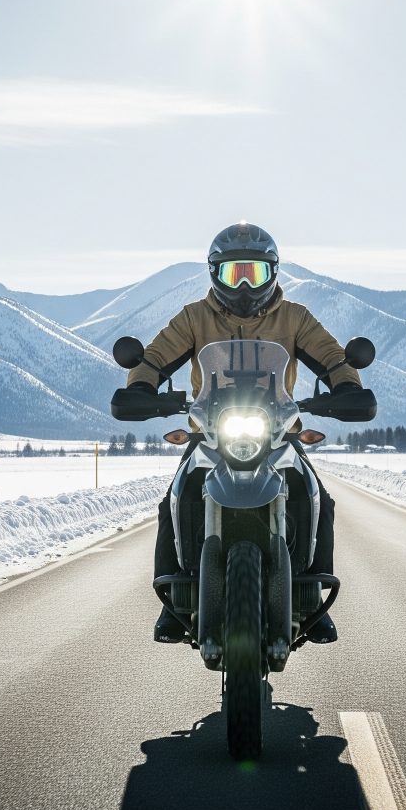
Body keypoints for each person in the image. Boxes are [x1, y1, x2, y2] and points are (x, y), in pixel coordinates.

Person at [123, 221, 365, 645]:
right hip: (211, 433)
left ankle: (311, 597)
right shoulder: (195, 317)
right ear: (215, 273)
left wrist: (347, 386)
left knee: (318, 500)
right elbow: (156, 356)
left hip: (278, 431)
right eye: (235, 273)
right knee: (173, 501)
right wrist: (140, 387)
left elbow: (331, 356)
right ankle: (171, 605)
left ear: (273, 272)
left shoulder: (295, 318)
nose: (245, 285)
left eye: (254, 272)